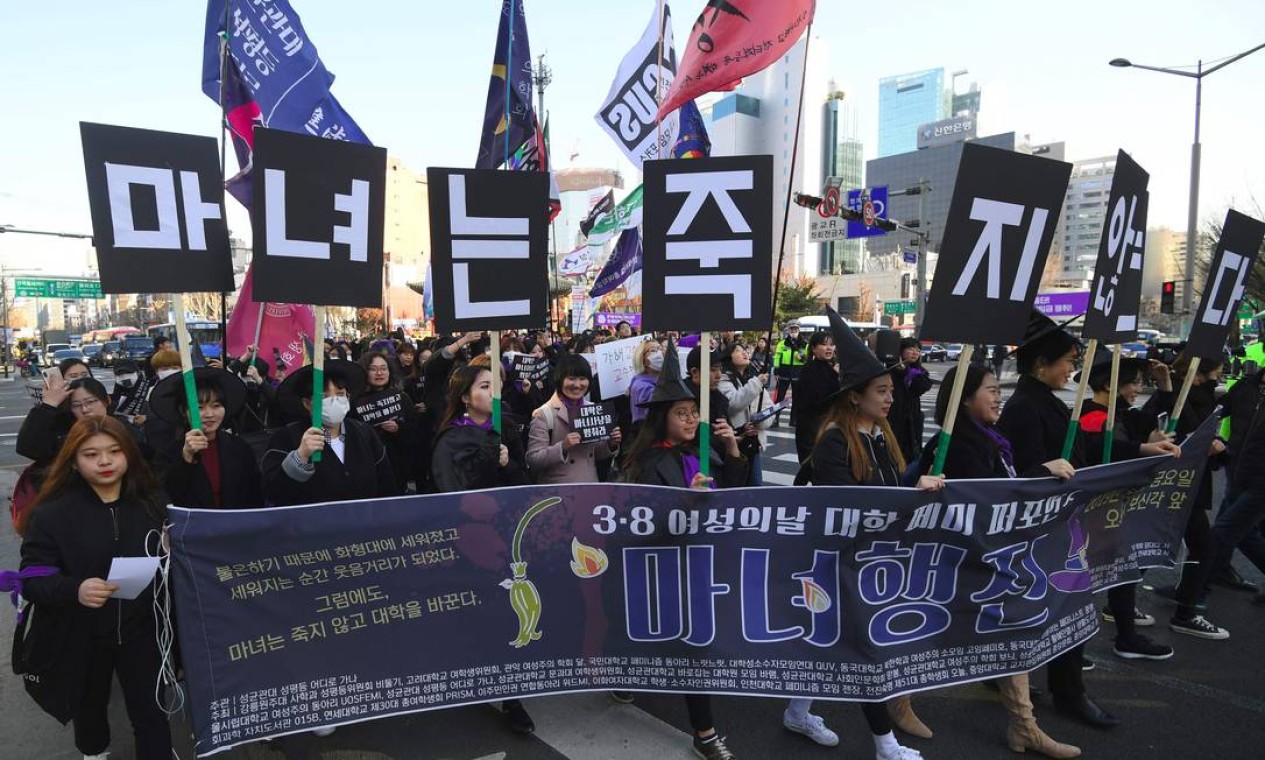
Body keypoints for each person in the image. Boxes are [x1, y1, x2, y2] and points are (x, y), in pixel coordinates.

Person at [789, 308, 939, 759]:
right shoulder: (835, 439)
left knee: (827, 646)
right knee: (864, 649)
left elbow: (890, 486)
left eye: (891, 391)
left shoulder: (880, 433)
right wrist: (911, 490)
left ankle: (797, 710)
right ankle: (885, 744)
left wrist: (924, 467)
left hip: (876, 558)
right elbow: (852, 503)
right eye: (881, 391)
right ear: (855, 396)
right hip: (841, 561)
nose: (889, 399)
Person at [921, 364, 1081, 758]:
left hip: (988, 560)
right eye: (991, 390)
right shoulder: (958, 442)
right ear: (966, 397)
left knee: (1010, 633)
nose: (999, 397)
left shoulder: (989, 437)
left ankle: (1023, 726)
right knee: (921, 634)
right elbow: (990, 501)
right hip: (962, 564)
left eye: (998, 389)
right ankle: (896, 701)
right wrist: (1040, 471)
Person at [619, 340, 745, 760]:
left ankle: (699, 728)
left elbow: (740, 504)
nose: (691, 419)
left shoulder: (705, 451)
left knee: (690, 644)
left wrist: (734, 451)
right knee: (675, 640)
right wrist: (682, 502)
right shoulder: (646, 463)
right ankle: (703, 732)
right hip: (664, 570)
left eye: (694, 412)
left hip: (703, 565)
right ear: (662, 418)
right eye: (681, 413)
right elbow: (638, 520)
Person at [18, 416, 173, 758]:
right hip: (79, 635)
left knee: (151, 712)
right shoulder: (52, 513)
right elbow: (31, 579)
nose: (104, 461)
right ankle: (94, 753)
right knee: (89, 711)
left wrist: (169, 551)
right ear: (73, 459)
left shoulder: (154, 503)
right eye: (91, 454)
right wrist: (75, 589)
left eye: (114, 451)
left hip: (142, 630)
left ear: (129, 454)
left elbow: (178, 566)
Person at [996, 310, 1117, 729]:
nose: (1072, 369)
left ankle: (1036, 680)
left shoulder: (1044, 400)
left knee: (1060, 609)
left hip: (1064, 526)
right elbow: (1017, 477)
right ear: (1040, 364)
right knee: (1065, 607)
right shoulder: (1024, 407)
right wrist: (1048, 470)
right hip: (1045, 534)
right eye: (1067, 361)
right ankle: (1068, 693)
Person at [430, 363, 534, 734]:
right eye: (484, 386)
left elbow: (524, 480)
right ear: (464, 396)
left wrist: (507, 466)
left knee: (508, 614)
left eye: (498, 385)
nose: (493, 392)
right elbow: (450, 493)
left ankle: (512, 697)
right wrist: (487, 465)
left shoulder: (506, 430)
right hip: (469, 541)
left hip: (508, 537)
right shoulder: (450, 440)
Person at [1075, 350, 1182, 660]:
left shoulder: (1121, 413)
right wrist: (1143, 447)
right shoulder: (1091, 415)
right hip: (1092, 510)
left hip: (1118, 509)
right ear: (1110, 384)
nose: (1138, 388)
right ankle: (1070, 649)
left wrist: (1164, 387)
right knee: (1081, 580)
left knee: (1124, 570)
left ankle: (1127, 636)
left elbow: (1153, 416)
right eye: (1134, 382)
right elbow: (1099, 449)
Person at [262, 360, 399, 507]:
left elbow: (387, 485)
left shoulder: (365, 432)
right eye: (323, 396)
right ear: (307, 403)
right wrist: (300, 457)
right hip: (312, 527)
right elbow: (273, 491)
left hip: (364, 523)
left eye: (340, 394)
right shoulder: (285, 438)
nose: (334, 401)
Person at [1162, 354, 1232, 639]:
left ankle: (1123, 610)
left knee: (1156, 544)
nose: (1219, 379)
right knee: (1201, 546)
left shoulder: (1202, 397)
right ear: (1200, 374)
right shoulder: (1179, 396)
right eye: (1216, 374)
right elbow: (1185, 433)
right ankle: (1186, 612)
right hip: (1177, 483)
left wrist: (1218, 446)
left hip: (1189, 483)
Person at [149, 367, 262, 509]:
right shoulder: (168, 453)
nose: (209, 414)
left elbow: (255, 496)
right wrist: (186, 459)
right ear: (183, 411)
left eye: (216, 406)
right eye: (199, 407)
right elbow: (165, 497)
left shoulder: (239, 447)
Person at [525, 354, 622, 484]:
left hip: (590, 487)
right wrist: (563, 447)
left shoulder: (593, 409)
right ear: (560, 380)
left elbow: (596, 453)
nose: (577, 385)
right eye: (571, 379)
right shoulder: (544, 414)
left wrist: (611, 443)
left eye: (582, 379)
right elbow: (533, 459)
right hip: (558, 491)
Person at [358, 350, 417, 492]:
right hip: (368, 467)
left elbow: (414, 432)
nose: (379, 373)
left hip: (397, 465)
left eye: (383, 368)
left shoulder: (402, 398)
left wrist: (399, 429)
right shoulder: (355, 403)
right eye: (373, 369)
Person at [718, 340, 773, 485]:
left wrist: (759, 422)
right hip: (735, 443)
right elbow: (733, 404)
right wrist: (756, 383)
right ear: (728, 357)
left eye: (745, 350)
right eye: (737, 350)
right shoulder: (723, 379)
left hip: (753, 443)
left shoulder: (752, 378)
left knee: (756, 487)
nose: (744, 352)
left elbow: (768, 407)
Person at [792, 330, 838, 463]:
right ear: (814, 348)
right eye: (824, 344)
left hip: (827, 428)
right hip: (812, 430)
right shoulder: (809, 370)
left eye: (832, 344)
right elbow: (816, 399)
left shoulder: (832, 368)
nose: (829, 348)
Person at [888, 337, 933, 464]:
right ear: (901, 351)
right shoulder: (891, 370)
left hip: (912, 418)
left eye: (918, 350)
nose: (915, 353)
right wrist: (901, 370)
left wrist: (906, 372)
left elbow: (921, 387)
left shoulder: (919, 372)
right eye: (910, 349)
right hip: (894, 416)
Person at [772, 323, 808, 426]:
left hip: (798, 373)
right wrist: (776, 371)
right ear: (788, 331)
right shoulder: (782, 343)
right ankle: (775, 419)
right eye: (791, 329)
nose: (793, 331)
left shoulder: (804, 344)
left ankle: (793, 420)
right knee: (780, 398)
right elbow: (777, 357)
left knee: (797, 398)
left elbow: (808, 359)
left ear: (799, 330)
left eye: (795, 329)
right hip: (784, 372)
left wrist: (802, 358)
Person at [629, 339, 664, 425]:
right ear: (642, 359)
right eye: (653, 350)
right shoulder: (643, 387)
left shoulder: (657, 381)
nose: (659, 353)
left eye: (660, 349)